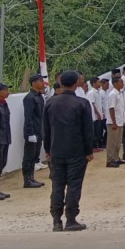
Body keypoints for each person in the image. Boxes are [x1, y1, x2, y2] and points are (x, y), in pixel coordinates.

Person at [43, 71, 96, 232]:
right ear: (76, 84)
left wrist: (47, 150)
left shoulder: (50, 103)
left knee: (57, 185)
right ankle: (71, 219)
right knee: (74, 185)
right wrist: (89, 150)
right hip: (76, 150)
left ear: (60, 82)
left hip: (56, 150)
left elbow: (46, 130)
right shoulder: (82, 103)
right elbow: (87, 130)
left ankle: (56, 220)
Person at [22, 75, 47, 189]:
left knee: (34, 156)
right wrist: (30, 133)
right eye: (40, 81)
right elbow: (29, 117)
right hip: (32, 131)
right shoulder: (30, 98)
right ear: (33, 83)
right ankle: (27, 180)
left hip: (39, 130)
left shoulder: (39, 96)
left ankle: (31, 178)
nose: (43, 83)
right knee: (29, 156)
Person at [105, 76, 125, 167]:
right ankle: (110, 160)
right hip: (114, 122)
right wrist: (114, 122)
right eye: (121, 82)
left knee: (118, 142)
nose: (123, 84)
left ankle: (116, 158)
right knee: (112, 142)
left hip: (119, 121)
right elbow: (111, 108)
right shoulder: (113, 94)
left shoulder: (120, 93)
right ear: (115, 83)